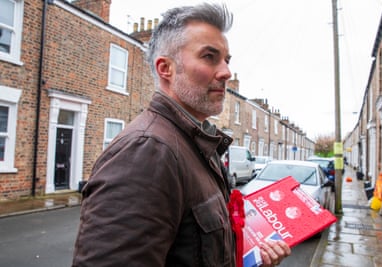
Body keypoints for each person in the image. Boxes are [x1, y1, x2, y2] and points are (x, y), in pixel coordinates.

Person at [72, 3, 290, 267]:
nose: (226, 72)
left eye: (226, 60)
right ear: (166, 69)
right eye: (209, 56)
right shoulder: (147, 151)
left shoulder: (195, 145)